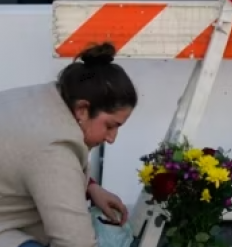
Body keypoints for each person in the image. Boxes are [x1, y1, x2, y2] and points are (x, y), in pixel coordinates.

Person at [0, 43, 138, 247]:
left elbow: (24, 164)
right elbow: (75, 243)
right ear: (82, 109)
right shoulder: (52, 148)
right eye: (110, 125)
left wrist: (90, 187)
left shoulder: (46, 97)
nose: (111, 138)